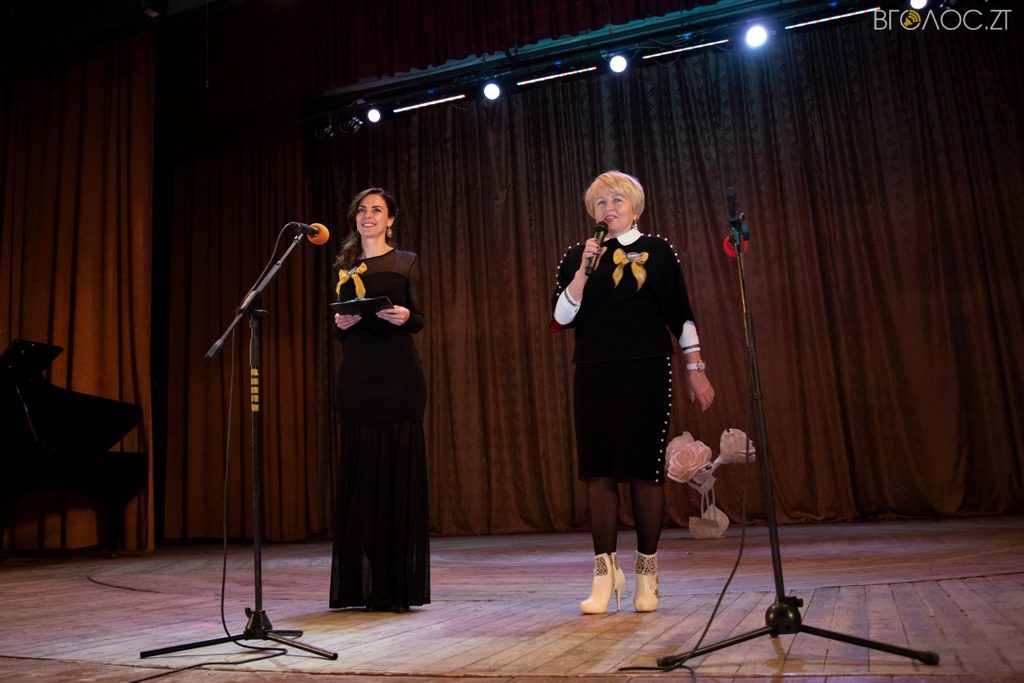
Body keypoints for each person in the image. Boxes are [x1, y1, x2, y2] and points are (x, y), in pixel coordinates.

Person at [550, 170, 715, 614]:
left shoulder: (658, 251)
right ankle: (604, 575)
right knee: (599, 472)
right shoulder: (578, 256)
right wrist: (583, 272)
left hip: (646, 370)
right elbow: (562, 317)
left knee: (645, 471)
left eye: (617, 201)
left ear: (635, 208)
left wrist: (695, 368)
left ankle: (647, 573)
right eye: (601, 203)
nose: (609, 209)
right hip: (594, 373)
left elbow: (681, 314)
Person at [329, 187, 429, 613]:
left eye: (377, 210)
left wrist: (405, 316)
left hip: (399, 377)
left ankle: (395, 585)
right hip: (357, 379)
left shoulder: (406, 262)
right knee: (364, 486)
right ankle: (367, 586)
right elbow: (337, 328)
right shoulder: (344, 267)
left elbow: (420, 318)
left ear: (390, 220)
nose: (368, 215)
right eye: (362, 210)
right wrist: (340, 324)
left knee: (396, 479)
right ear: (354, 219)